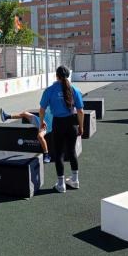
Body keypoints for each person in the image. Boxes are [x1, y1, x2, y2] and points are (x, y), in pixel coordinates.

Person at [39, 65, 84, 193]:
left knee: (58, 154)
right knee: (72, 152)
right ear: (68, 75)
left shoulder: (50, 90)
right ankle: (75, 181)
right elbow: (80, 111)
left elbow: (42, 110)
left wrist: (41, 123)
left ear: (56, 76)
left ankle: (61, 185)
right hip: (72, 123)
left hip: (58, 124)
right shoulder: (74, 89)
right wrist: (81, 126)